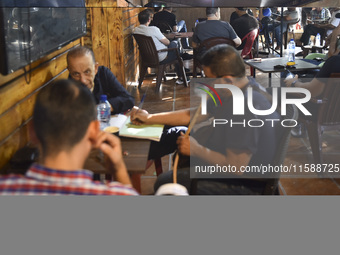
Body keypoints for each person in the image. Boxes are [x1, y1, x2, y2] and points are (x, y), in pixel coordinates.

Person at [130, 44, 281, 195]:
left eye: (209, 80)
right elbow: (193, 115)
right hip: (230, 164)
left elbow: (236, 167)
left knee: (166, 182)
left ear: (228, 80)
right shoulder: (240, 87)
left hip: (245, 184)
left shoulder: (243, 108)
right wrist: (149, 118)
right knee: (179, 135)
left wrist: (196, 150)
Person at [0, 79, 138, 195]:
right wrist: (118, 168)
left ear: (32, 131)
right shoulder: (117, 194)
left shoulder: (5, 188)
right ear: (94, 131)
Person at [67, 46, 134, 114]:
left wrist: (104, 107)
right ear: (69, 71)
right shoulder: (67, 88)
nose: (83, 80)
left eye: (87, 72)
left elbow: (128, 99)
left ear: (95, 68)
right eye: (76, 74)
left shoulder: (103, 74)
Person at [134, 9, 188, 84]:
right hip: (160, 57)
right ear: (149, 19)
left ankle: (181, 73)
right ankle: (181, 76)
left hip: (146, 57)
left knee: (176, 50)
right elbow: (167, 42)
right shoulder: (154, 29)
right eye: (151, 18)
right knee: (175, 43)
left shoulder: (135, 30)